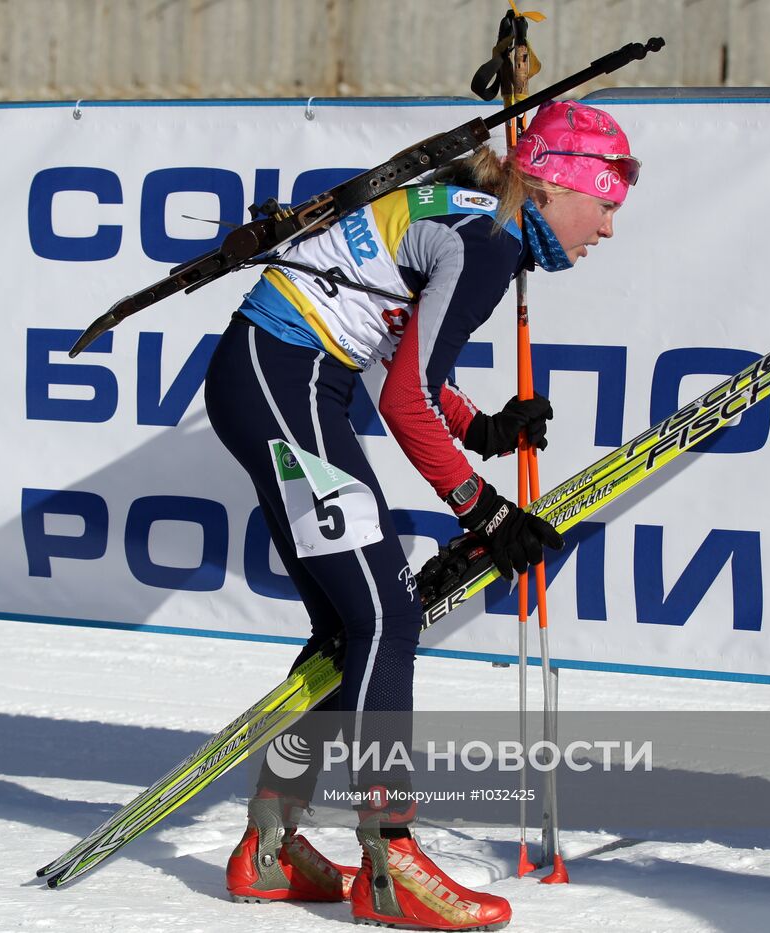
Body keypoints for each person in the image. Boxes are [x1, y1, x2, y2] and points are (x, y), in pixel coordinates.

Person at [204, 100, 639, 930]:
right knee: (386, 616)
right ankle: (389, 860)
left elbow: (403, 353)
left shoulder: (475, 218)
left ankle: (269, 846)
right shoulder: (491, 239)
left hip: (282, 381)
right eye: (606, 205)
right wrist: (483, 509)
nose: (608, 230)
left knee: (355, 626)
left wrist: (481, 429)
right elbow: (404, 399)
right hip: (283, 382)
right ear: (552, 184)